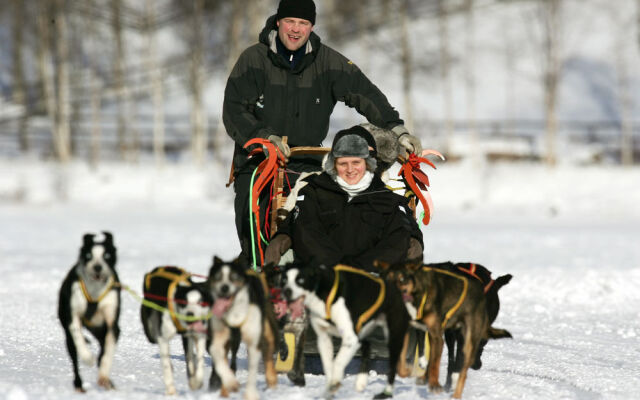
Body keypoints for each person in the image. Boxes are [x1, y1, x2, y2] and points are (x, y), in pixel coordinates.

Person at [223, 0, 423, 261]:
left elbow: (366, 94)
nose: (296, 29)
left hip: (306, 163)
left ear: (312, 26)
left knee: (321, 221)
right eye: (291, 22)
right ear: (279, 22)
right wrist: (264, 137)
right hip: (258, 165)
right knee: (257, 232)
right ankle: (258, 272)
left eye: (303, 23)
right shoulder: (254, 59)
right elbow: (234, 110)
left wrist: (396, 129)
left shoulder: (327, 61)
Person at [268, 125, 423, 271]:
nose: (350, 170)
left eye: (356, 162)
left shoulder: (389, 201)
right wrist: (337, 268)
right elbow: (307, 235)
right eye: (343, 163)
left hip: (372, 281)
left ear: (368, 163)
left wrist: (359, 270)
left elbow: (396, 242)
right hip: (321, 276)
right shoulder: (313, 192)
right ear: (333, 164)